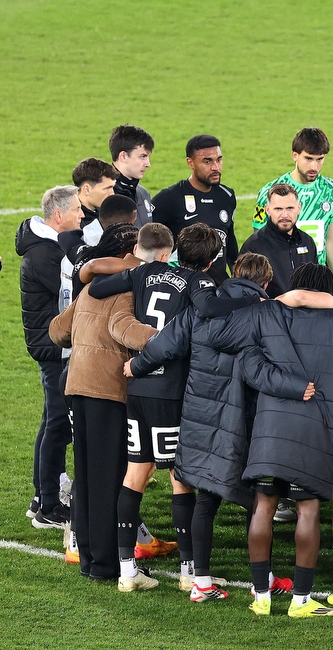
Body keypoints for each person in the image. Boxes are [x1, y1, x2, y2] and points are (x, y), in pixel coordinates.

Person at [208, 263, 333, 618]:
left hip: (270, 427)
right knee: (308, 509)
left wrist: (256, 348)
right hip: (318, 427)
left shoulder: (266, 312)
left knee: (264, 505)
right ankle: (301, 601)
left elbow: (217, 336)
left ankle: (261, 596)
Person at [87, 223, 261, 591]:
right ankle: (188, 573)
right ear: (212, 259)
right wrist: (252, 299)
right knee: (181, 479)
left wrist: (134, 272)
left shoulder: (142, 272)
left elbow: (98, 288)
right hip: (171, 391)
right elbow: (208, 308)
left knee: (135, 473)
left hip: (137, 386)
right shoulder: (195, 281)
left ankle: (126, 571)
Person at [124, 252, 277, 602]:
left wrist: (137, 366)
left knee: (206, 498)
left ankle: (201, 582)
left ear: (232, 275)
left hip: (200, 416)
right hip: (245, 417)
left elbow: (162, 345)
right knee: (260, 501)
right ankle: (262, 581)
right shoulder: (267, 313)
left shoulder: (199, 309)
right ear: (265, 283)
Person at [49, 226, 157, 582]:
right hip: (106, 390)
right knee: (110, 476)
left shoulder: (94, 285)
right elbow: (124, 329)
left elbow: (57, 331)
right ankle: (107, 563)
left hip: (77, 385)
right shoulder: (128, 285)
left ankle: (89, 560)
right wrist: (169, 337)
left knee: (88, 474)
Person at [17, 185, 82, 528]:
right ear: (59, 216)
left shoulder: (47, 248)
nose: (82, 216)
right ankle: (48, 506)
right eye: (77, 211)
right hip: (54, 348)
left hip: (53, 345)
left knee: (51, 421)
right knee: (58, 423)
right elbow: (74, 293)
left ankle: (40, 498)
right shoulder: (45, 255)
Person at [252, 127, 333, 285]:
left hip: (318, 279)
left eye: (320, 159)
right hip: (282, 280)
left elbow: (331, 239)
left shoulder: (330, 189)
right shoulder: (270, 192)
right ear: (295, 155)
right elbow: (259, 241)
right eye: (308, 159)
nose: (314, 167)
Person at [152, 135, 239, 283]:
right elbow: (147, 240)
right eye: (207, 161)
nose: (215, 167)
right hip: (183, 287)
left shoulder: (227, 196)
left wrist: (237, 277)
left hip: (218, 287)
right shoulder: (169, 198)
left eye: (219, 159)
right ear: (190, 163)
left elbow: (229, 242)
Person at [241, 183, 318, 297]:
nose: (284, 215)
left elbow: (315, 284)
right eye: (278, 209)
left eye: (290, 208)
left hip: (306, 312)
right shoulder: (253, 247)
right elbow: (244, 293)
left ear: (299, 208)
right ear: (268, 210)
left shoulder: (307, 241)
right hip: (271, 313)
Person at [109, 125, 154, 227]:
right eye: (143, 156)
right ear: (123, 156)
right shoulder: (104, 194)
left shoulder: (143, 193)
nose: (148, 164)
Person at [72, 157, 119, 226]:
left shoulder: (107, 214)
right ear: (87, 189)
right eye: (107, 188)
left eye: (112, 188)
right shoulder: (73, 222)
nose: (112, 193)